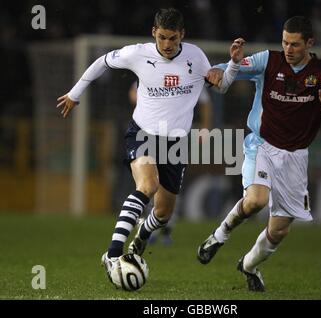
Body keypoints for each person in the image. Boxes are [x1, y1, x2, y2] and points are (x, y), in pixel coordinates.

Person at [56, 8, 242, 285]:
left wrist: (232, 65)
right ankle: (113, 253)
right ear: (154, 32)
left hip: (176, 142)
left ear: (182, 35)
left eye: (173, 39)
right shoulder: (138, 53)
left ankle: (142, 236)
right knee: (147, 185)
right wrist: (74, 93)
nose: (167, 45)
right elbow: (102, 62)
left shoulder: (196, 57)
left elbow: (222, 86)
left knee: (163, 213)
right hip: (143, 133)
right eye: (163, 37)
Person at [197, 16, 321, 292]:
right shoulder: (268, 61)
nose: (288, 49)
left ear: (310, 43)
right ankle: (218, 236)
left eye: (295, 44)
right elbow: (236, 67)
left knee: (279, 230)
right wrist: (217, 70)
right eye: (285, 42)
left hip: (296, 157)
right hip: (262, 145)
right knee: (256, 200)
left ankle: (249, 265)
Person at [128, 80, 213, 245]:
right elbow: (133, 92)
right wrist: (150, 103)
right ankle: (150, 228)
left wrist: (204, 127)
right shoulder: (152, 70)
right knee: (150, 183)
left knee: (170, 185)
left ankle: (166, 228)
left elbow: (205, 103)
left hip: (176, 136)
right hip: (150, 134)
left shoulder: (189, 76)